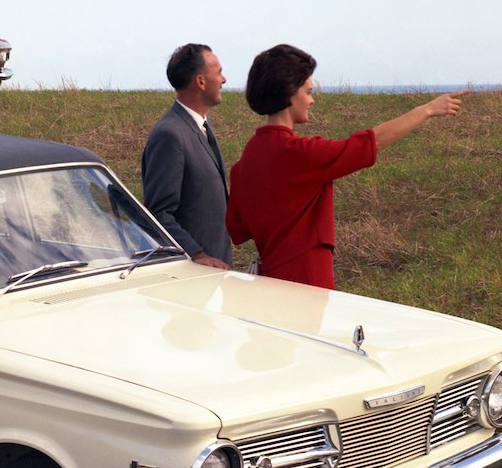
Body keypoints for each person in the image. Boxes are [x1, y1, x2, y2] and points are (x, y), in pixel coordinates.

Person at [226, 43, 465, 290]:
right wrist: (426, 110)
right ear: (289, 92)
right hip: (307, 279)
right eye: (308, 92)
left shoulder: (248, 158)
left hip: (270, 277)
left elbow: (237, 227)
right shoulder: (297, 153)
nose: (312, 100)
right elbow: (369, 143)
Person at [141, 43, 233, 269]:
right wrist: (197, 255)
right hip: (194, 276)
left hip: (215, 272)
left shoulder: (201, 125)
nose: (224, 79)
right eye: (219, 72)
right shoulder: (170, 134)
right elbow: (158, 214)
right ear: (200, 82)